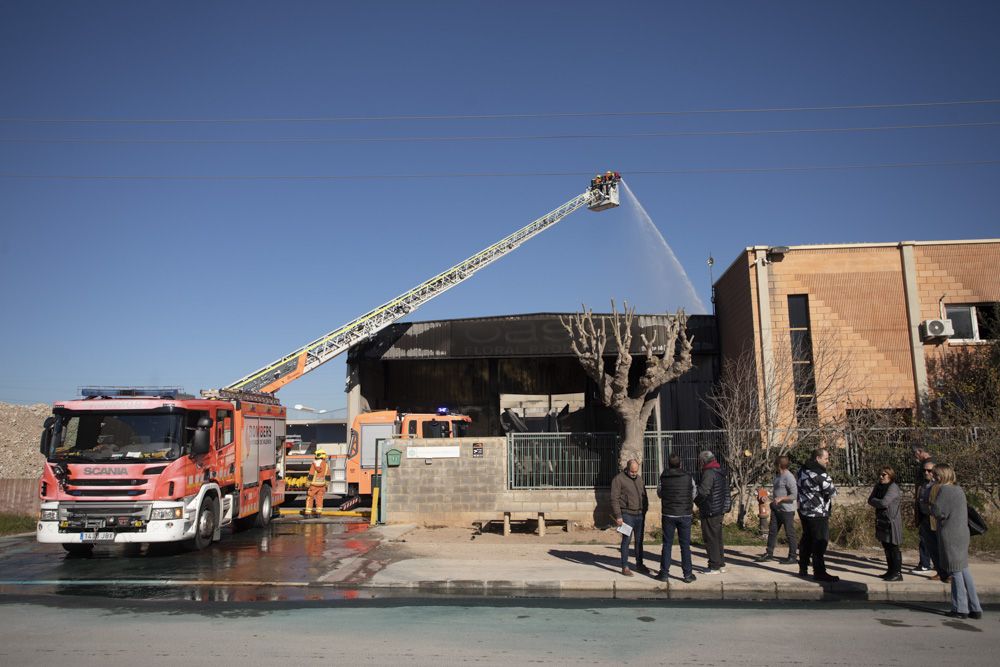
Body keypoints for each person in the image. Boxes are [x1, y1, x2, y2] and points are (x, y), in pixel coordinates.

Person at [930, 464, 984, 620]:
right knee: (964, 569)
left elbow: (938, 512)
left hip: (950, 535)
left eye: (936, 474)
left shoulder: (945, 491)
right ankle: (975, 607)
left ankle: (960, 608)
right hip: (961, 534)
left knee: (955, 571)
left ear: (943, 475)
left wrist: (931, 503)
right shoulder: (958, 489)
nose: (934, 477)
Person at [797, 448, 839, 582]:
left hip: (804, 510)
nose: (828, 461)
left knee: (807, 539)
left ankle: (803, 566)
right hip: (818, 512)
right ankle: (819, 571)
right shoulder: (820, 474)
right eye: (826, 458)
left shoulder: (801, 471)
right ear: (818, 458)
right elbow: (832, 492)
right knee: (820, 542)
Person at [655, 453, 697, 583]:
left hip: (668, 514)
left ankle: (664, 573)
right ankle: (688, 574)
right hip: (685, 514)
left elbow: (659, 493)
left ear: (669, 464)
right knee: (685, 545)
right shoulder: (688, 477)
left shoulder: (664, 476)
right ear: (681, 464)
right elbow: (694, 492)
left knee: (667, 544)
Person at [754, 455, 798, 564]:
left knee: (790, 533)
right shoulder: (779, 476)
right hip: (776, 509)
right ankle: (769, 553)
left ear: (778, 465)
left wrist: (782, 498)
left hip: (787, 511)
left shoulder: (789, 477)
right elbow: (778, 493)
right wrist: (768, 497)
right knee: (773, 532)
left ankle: (793, 556)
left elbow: (794, 495)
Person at [611, 459, 649, 576]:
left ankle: (639, 564)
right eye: (632, 471)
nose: (634, 474)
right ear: (627, 468)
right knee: (626, 541)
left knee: (639, 541)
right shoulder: (619, 479)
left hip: (639, 514)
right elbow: (614, 499)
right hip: (627, 515)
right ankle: (625, 566)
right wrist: (618, 516)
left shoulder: (639, 479)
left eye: (636, 471)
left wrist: (645, 509)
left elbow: (644, 495)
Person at [695, 450, 730, 574]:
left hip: (710, 509)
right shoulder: (719, 471)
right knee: (717, 538)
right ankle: (720, 564)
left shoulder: (708, 472)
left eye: (700, 461)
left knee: (710, 538)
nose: (699, 463)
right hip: (719, 509)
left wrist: (696, 500)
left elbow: (703, 491)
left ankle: (713, 566)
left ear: (703, 461)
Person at [867, 466, 904, 581]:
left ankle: (897, 573)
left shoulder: (893, 488)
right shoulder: (878, 486)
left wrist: (875, 501)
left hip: (891, 521)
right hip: (882, 520)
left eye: (884, 475)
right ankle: (890, 570)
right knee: (886, 546)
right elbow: (869, 500)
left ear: (890, 475)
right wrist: (876, 501)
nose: (881, 477)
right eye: (880, 474)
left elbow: (884, 503)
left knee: (893, 546)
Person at [912, 446, 937, 573]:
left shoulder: (931, 464)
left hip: (932, 515)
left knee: (932, 540)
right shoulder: (925, 467)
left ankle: (930, 565)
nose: (926, 473)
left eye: (928, 471)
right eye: (924, 471)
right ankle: (925, 563)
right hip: (924, 512)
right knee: (924, 538)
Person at [302, 448, 330, 516]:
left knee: (310, 498)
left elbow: (311, 474)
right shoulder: (326, 465)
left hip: (313, 485)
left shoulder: (313, 464)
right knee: (319, 498)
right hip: (322, 485)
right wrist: (326, 485)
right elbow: (328, 476)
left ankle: (308, 512)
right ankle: (318, 512)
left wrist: (307, 484)